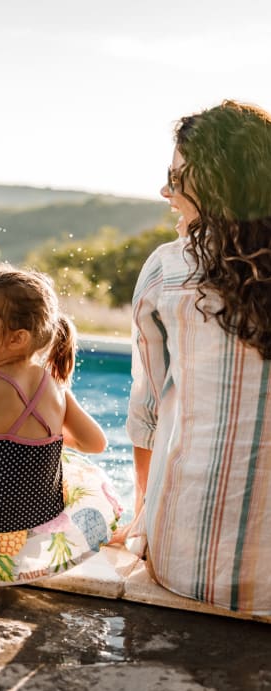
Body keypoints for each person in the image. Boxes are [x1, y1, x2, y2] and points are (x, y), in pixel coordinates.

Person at [125, 100, 271, 615]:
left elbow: (145, 417)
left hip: (184, 564)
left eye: (175, 177)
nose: (165, 191)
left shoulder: (168, 269)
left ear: (212, 184)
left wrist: (140, 516)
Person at [0, 265, 107, 533]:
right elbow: (96, 443)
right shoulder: (57, 388)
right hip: (43, 525)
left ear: (17, 338)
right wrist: (50, 437)